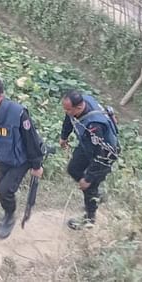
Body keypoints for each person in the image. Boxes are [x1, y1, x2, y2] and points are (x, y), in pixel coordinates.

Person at [0, 75, 44, 239]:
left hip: (22, 159)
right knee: (3, 191)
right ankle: (8, 213)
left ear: (1, 96)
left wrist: (36, 165)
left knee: (5, 190)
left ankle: (9, 217)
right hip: (4, 156)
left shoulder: (18, 113)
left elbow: (31, 140)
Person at [59, 89, 119, 230]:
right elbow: (69, 118)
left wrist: (89, 177)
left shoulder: (95, 126)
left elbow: (100, 154)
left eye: (68, 109)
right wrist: (64, 136)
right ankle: (96, 195)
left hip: (105, 154)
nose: (66, 111)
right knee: (73, 169)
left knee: (89, 183)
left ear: (79, 107)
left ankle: (89, 219)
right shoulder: (79, 104)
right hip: (88, 144)